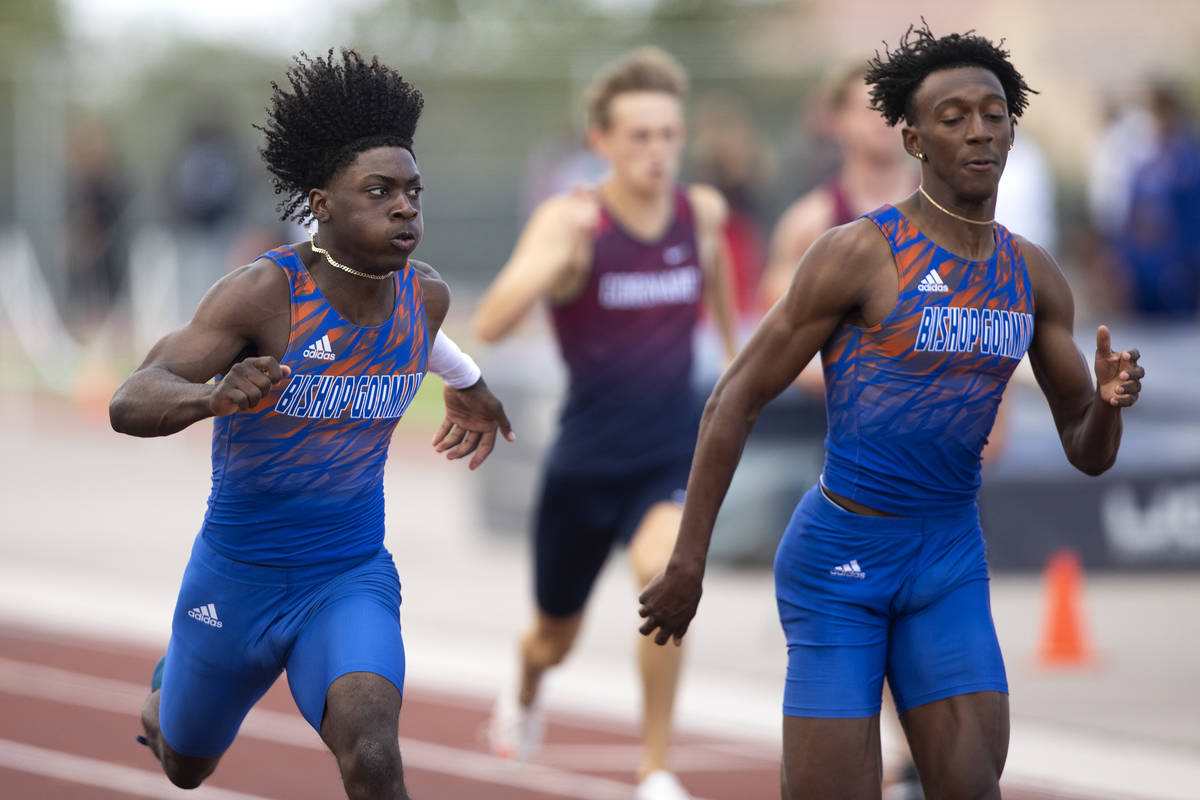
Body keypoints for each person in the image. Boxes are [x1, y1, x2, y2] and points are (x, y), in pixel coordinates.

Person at [638, 24, 1145, 800]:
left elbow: (1087, 448)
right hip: (841, 558)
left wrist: (1107, 406)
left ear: (1013, 127)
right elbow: (733, 397)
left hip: (947, 556)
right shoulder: (858, 254)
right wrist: (687, 561)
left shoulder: (1034, 277)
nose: (978, 130)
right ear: (912, 138)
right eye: (953, 117)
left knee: (971, 788)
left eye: (994, 113)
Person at [108, 49, 513, 800]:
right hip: (235, 580)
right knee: (187, 765)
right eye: (380, 191)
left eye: (414, 193)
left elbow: (432, 347)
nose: (404, 208)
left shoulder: (426, 299)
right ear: (321, 203)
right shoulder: (263, 295)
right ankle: (171, 692)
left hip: (347, 574)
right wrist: (211, 399)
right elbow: (130, 400)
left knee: (372, 748)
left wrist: (474, 386)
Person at [472, 46, 736, 800]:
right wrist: (556, 255)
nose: (656, 152)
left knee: (665, 581)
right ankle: (524, 686)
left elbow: (724, 322)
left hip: (667, 458)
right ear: (602, 141)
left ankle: (654, 768)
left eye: (668, 135)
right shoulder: (573, 222)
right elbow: (492, 318)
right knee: (553, 639)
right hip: (584, 466)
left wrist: (735, 377)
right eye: (638, 137)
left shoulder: (702, 214)